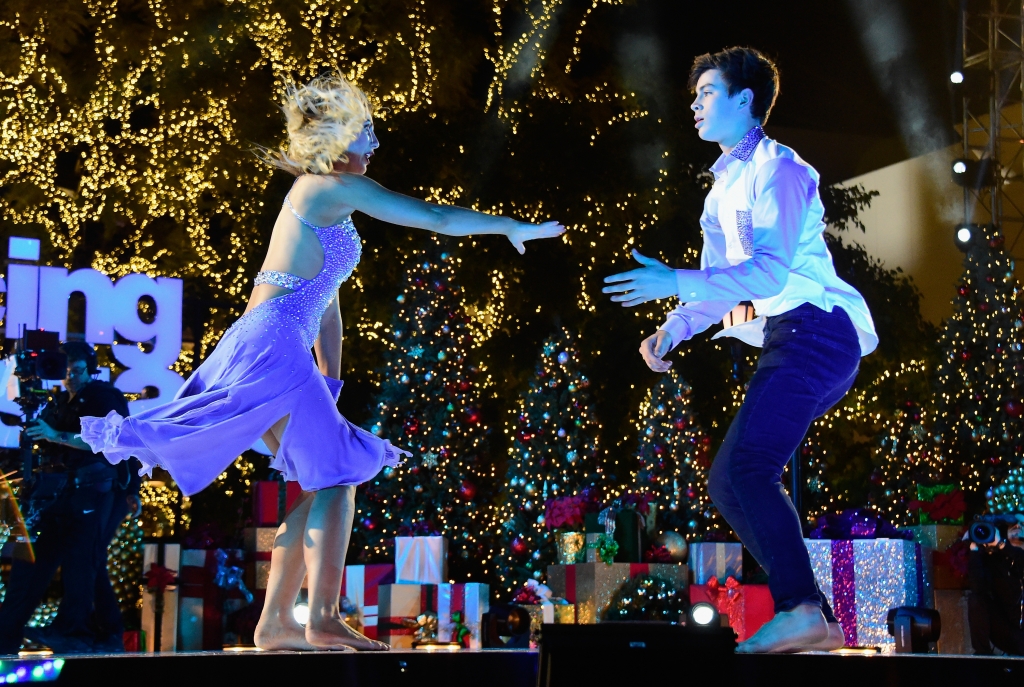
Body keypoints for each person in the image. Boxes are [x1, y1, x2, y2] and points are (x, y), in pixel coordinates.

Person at [79, 71, 564, 652]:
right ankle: (320, 618)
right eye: (368, 133)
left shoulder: (330, 205)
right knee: (339, 473)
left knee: (319, 484)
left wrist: (330, 379)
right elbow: (431, 217)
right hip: (272, 342)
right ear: (338, 139)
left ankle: (277, 622)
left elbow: (328, 306)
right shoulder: (322, 188)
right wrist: (509, 226)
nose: (376, 144)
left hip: (277, 343)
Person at [602, 46, 877, 653]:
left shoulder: (782, 170)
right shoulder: (720, 190)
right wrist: (672, 327)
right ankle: (816, 617)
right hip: (791, 336)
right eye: (695, 95)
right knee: (729, 482)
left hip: (817, 330)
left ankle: (802, 609)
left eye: (707, 93)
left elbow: (772, 273)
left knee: (748, 469)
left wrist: (672, 281)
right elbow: (720, 282)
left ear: (744, 100)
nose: (695, 105)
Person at [0, 342, 131, 654]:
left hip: (95, 491)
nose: (70, 377)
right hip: (67, 494)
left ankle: (78, 631)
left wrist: (53, 434)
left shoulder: (102, 396)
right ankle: (105, 633)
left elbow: (113, 440)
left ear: (91, 369)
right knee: (84, 563)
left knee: (81, 561)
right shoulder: (62, 401)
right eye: (66, 371)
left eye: (77, 371)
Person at [967, 520, 1024, 655]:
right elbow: (977, 589)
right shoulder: (994, 559)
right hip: (1007, 631)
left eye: (1021, 525)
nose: (1017, 528)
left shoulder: (1017, 555)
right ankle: (983, 657)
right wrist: (974, 550)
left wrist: (1002, 545)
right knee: (976, 599)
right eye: (1013, 525)